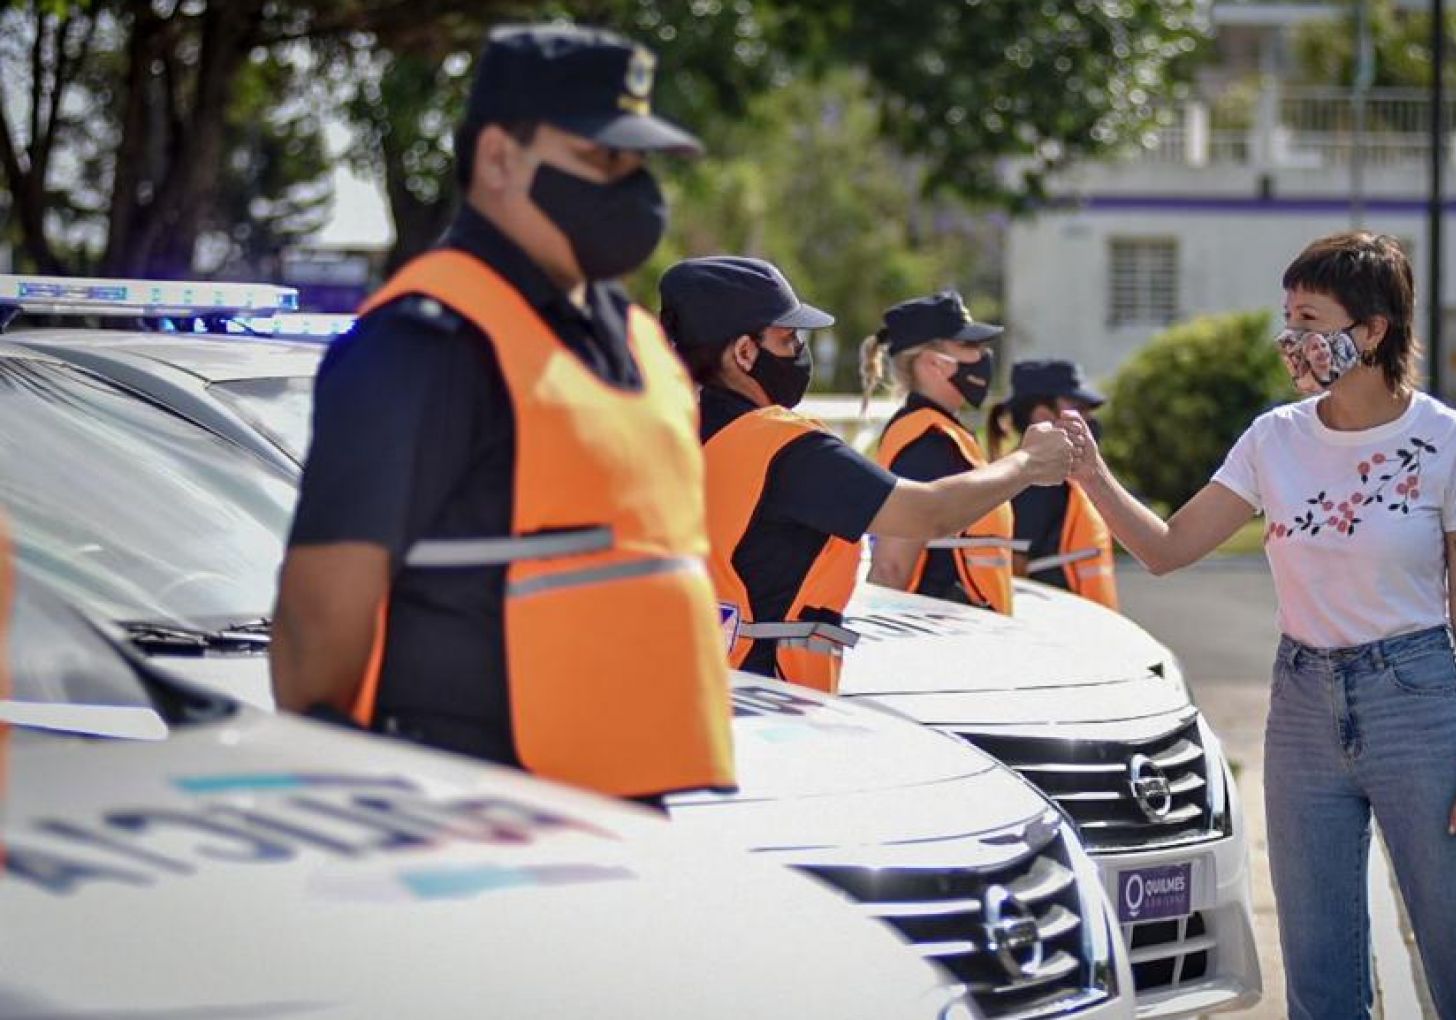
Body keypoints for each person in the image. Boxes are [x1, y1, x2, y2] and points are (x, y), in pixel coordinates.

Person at [270, 25, 734, 807]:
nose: (631, 190)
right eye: (600, 158)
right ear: (497, 159)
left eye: (637, 165)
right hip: (466, 823)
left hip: (625, 824)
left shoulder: (639, 341)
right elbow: (316, 629)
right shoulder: (423, 341)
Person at [1061, 231, 1456, 1017]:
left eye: (1309, 320)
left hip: (1416, 704)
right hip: (1303, 705)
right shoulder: (1274, 439)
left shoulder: (1446, 440)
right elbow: (1169, 548)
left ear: (1371, 331)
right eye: (1288, 318)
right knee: (1318, 969)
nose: (1291, 339)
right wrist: (1091, 473)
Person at [658, 257, 1076, 692]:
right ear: (745, 352)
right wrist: (1028, 463)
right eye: (788, 339)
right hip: (767, 696)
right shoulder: (785, 448)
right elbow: (927, 513)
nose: (799, 351)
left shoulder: (667, 435)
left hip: (688, 683)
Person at [864, 292, 1021, 613]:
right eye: (968, 345)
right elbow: (890, 567)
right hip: (937, 632)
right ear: (933, 363)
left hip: (963, 629)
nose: (983, 356)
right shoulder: (926, 442)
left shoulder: (945, 432)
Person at [986, 359, 1120, 609]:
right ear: (1043, 416)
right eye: (1079, 409)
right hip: (1053, 622)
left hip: (1080, 623)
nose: (1089, 420)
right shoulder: (1033, 484)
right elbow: (1013, 567)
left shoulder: (1062, 479)